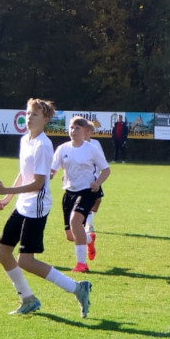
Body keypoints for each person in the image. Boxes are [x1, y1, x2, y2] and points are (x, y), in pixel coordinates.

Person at [0, 99, 91, 317]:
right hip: (23, 204)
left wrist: (6, 190)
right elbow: (24, 173)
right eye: (27, 113)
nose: (28, 118)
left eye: (34, 115)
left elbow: (37, 184)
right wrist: (7, 198)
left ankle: (77, 288)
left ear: (45, 120)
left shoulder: (44, 145)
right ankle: (28, 298)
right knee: (2, 251)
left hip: (36, 207)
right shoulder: (26, 140)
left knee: (26, 261)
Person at [51, 116, 111, 273]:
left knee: (75, 222)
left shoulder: (92, 149)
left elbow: (106, 170)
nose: (73, 130)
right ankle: (89, 239)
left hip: (87, 191)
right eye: (71, 127)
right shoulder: (62, 149)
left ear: (85, 131)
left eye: (77, 128)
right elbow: (52, 170)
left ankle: (81, 264)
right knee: (71, 235)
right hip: (69, 192)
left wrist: (97, 183)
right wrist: (48, 175)